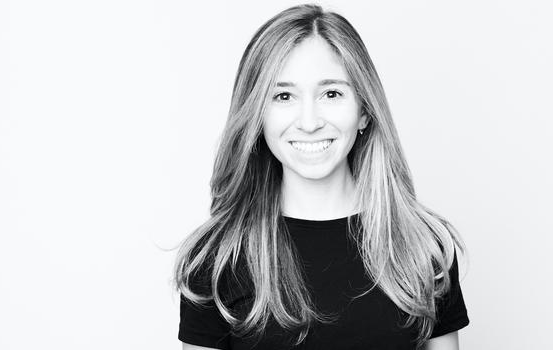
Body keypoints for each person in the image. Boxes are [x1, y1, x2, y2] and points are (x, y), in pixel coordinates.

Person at [173, 3, 470, 350]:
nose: (310, 122)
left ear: (364, 112)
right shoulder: (218, 257)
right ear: (257, 118)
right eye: (284, 96)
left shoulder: (421, 246)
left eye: (331, 94)